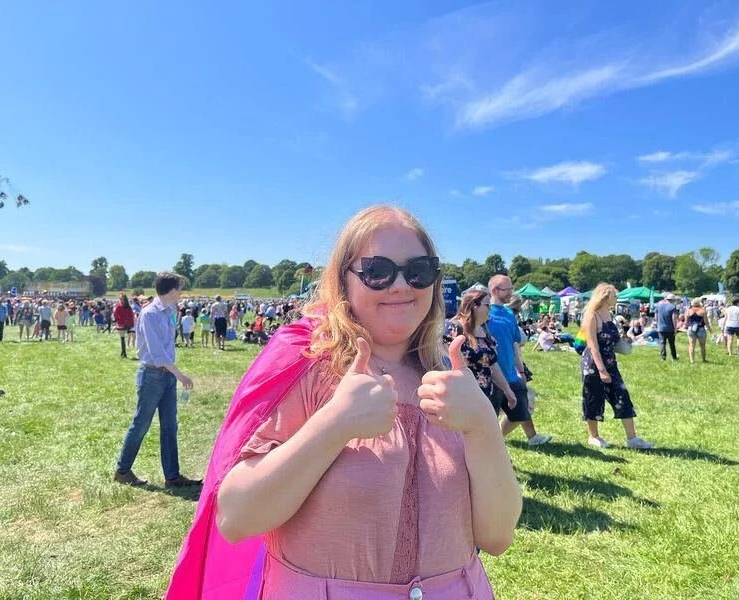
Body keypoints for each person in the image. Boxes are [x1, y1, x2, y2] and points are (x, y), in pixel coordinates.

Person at [166, 206, 520, 599]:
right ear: (343, 281)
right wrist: (334, 424)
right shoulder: (305, 364)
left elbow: (498, 536)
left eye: (419, 270)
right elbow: (236, 516)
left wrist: (484, 425)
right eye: (377, 271)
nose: (402, 286)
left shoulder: (449, 378)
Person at [114, 272, 200, 488]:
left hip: (167, 375)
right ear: (171, 290)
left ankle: (172, 476)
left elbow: (169, 344)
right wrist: (180, 375)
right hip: (152, 375)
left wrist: (174, 374)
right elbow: (157, 353)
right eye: (178, 289)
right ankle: (122, 470)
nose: (180, 293)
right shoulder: (150, 314)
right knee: (141, 424)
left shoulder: (169, 311)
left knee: (170, 426)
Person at [580, 284, 654, 449]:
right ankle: (594, 436)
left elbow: (611, 339)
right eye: (615, 295)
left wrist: (623, 340)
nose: (617, 298)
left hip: (610, 362)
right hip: (593, 364)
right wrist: (601, 370)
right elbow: (592, 345)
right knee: (593, 398)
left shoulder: (610, 314)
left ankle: (632, 439)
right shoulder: (592, 316)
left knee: (622, 396)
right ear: (605, 297)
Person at [487, 275, 552, 446]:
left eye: (511, 289)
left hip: (511, 374)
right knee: (487, 418)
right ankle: (491, 446)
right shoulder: (484, 313)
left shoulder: (509, 313)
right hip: (491, 376)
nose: (511, 293)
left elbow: (515, 344)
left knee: (521, 412)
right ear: (494, 290)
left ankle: (497, 439)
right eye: (507, 289)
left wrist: (521, 370)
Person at [450, 288, 519, 413]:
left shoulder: (485, 331)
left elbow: (492, 364)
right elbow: (442, 361)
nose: (490, 310)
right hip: (459, 398)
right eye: (487, 305)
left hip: (484, 397)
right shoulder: (453, 328)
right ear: (474, 306)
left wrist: (507, 390)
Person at [685, 299, 709, 363]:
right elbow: (706, 322)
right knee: (702, 345)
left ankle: (692, 360)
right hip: (701, 328)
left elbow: (686, 323)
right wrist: (710, 330)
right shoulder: (703, 311)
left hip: (691, 328)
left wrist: (685, 327)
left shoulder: (688, 311)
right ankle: (703, 359)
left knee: (691, 345)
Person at [654, 296, 678, 361]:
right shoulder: (673, 307)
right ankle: (674, 357)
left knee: (662, 343)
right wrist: (675, 328)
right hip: (670, 328)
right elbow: (674, 318)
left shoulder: (658, 306)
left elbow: (656, 317)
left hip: (661, 328)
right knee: (672, 343)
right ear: (672, 300)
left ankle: (663, 357)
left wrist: (657, 325)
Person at [113, 294, 136, 358]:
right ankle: (123, 352)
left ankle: (124, 352)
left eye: (121, 299)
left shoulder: (119, 306)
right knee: (123, 338)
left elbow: (115, 314)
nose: (120, 300)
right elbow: (131, 316)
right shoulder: (128, 306)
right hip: (127, 324)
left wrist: (116, 320)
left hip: (121, 324)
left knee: (122, 338)